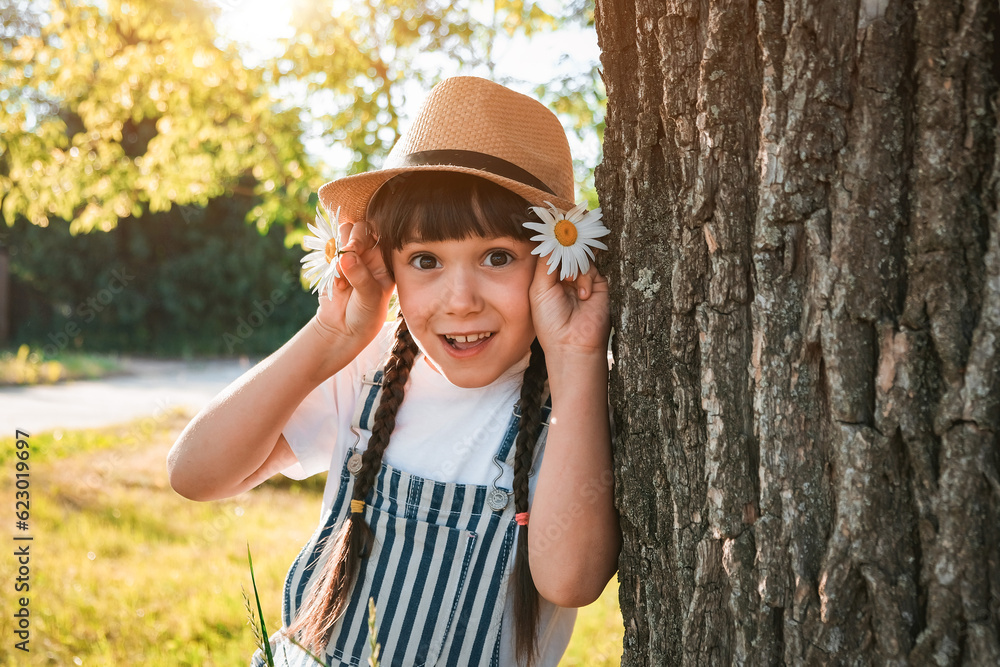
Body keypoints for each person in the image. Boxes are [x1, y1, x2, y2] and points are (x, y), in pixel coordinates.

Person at [167, 76, 620, 667]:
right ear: (388, 270)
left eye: (498, 257)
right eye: (425, 260)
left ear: (554, 261)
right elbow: (193, 473)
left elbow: (571, 582)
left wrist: (577, 360)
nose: (460, 300)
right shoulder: (366, 372)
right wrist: (331, 337)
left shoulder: (570, 407)